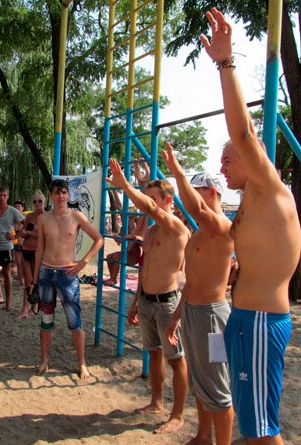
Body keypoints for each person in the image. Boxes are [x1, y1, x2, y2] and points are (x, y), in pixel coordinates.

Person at [201, 8, 301, 443]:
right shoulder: (248, 205)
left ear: (252, 156)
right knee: (250, 423)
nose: (222, 166)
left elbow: (242, 132)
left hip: (261, 321)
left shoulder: (270, 187)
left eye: (228, 159)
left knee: (262, 432)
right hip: (243, 317)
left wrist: (226, 64)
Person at [106, 159, 189, 434]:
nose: (148, 201)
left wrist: (125, 185)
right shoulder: (151, 232)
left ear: (167, 201)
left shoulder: (176, 228)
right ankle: (156, 403)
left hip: (167, 301)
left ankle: (178, 415)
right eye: (148, 196)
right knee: (153, 355)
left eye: (153, 197)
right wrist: (135, 301)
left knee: (176, 360)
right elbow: (145, 269)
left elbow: (148, 207)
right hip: (147, 301)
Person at [163, 144, 235, 445]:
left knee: (217, 385)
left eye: (197, 189)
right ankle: (203, 434)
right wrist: (177, 317)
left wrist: (178, 172)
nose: (190, 195)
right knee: (199, 380)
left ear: (212, 193)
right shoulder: (200, 232)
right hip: (193, 312)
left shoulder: (221, 226)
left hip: (213, 317)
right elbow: (191, 282)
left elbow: (200, 210)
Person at [31, 179, 103, 379]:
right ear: (51, 196)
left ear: (68, 195)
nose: (61, 196)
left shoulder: (76, 216)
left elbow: (99, 239)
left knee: (75, 321)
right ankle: (44, 360)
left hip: (67, 274)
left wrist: (83, 262)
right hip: (46, 273)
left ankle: (82, 363)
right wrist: (34, 279)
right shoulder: (44, 219)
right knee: (46, 320)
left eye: (64, 192)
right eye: (56, 192)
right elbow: (39, 249)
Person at [16, 190, 46, 320]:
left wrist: (29, 234)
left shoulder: (47, 217)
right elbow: (22, 230)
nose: (37, 203)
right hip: (26, 249)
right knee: (28, 282)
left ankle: (34, 306)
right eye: (35, 201)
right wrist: (21, 235)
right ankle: (25, 309)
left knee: (36, 281)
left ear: (44, 201)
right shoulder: (30, 216)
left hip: (38, 251)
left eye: (40, 201)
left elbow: (45, 237)